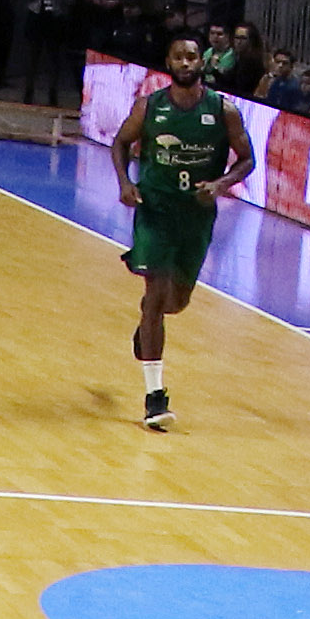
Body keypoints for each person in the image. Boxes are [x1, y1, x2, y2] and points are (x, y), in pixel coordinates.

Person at [109, 37, 250, 430]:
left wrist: (221, 184)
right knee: (155, 295)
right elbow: (120, 143)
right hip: (155, 211)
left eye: (191, 56)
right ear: (168, 62)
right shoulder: (150, 107)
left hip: (196, 216)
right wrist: (124, 183)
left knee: (176, 303)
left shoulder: (223, 110)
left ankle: (147, 327)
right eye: (178, 56)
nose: (185, 62)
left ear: (200, 61)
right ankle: (155, 397)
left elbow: (248, 159)